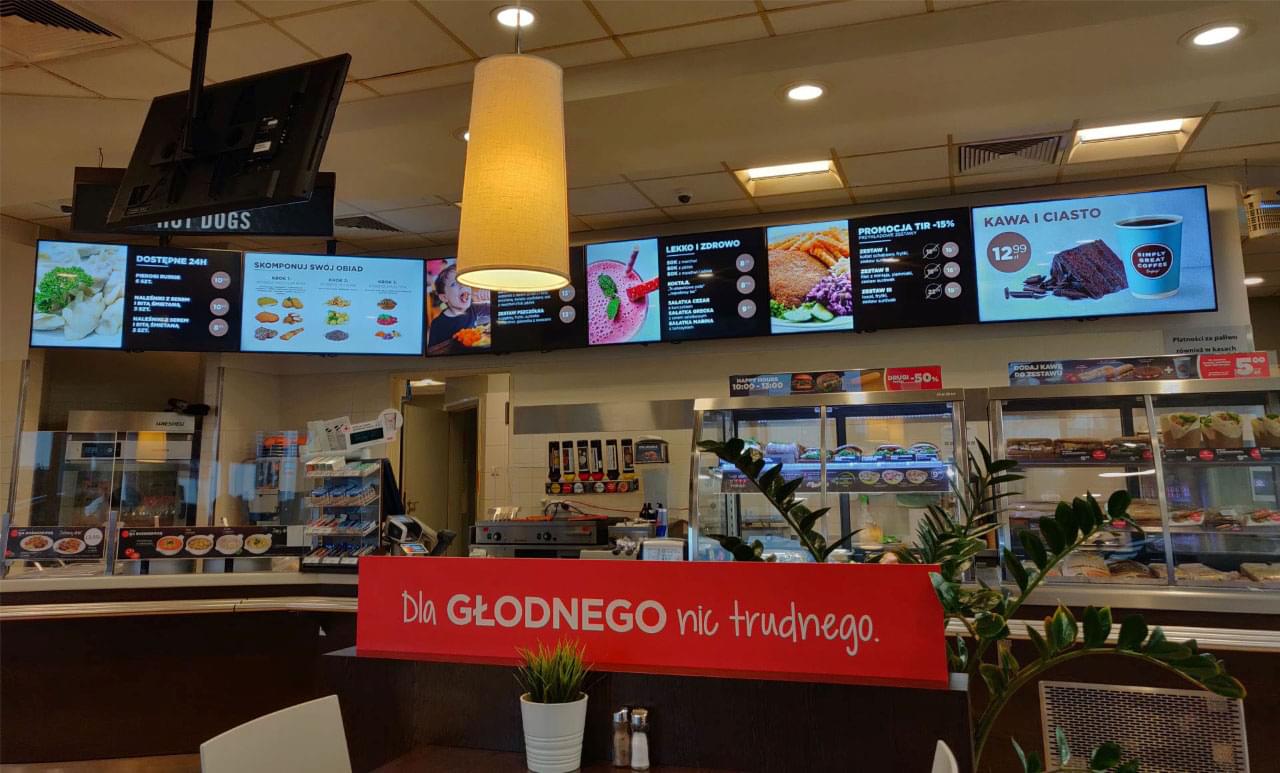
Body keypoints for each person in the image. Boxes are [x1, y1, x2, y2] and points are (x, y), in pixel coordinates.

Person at [427, 263, 480, 353]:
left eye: (463, 281)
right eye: (454, 284)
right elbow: (432, 352)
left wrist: (487, 294)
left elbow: (493, 311)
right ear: (444, 297)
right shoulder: (437, 324)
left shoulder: (474, 308)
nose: (462, 285)